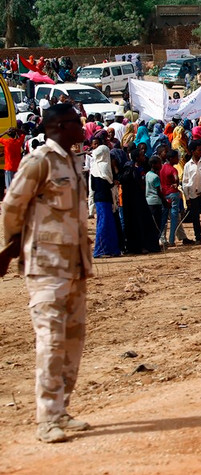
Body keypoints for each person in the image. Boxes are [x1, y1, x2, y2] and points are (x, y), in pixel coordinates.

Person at [1, 103, 92, 443]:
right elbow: (12, 206)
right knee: (51, 340)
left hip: (75, 265)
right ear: (58, 126)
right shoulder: (40, 161)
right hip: (45, 266)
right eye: (76, 123)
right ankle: (47, 419)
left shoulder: (72, 160)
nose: (82, 129)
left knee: (72, 342)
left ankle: (62, 410)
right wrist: (9, 249)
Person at [89, 140, 120, 258]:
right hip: (105, 198)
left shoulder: (94, 167)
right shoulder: (105, 167)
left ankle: (109, 249)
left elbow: (92, 187)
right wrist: (113, 184)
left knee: (104, 223)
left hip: (99, 198)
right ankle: (101, 250)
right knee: (105, 224)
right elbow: (108, 184)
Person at [182, 141, 201, 244]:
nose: (200, 151)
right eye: (198, 150)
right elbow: (185, 182)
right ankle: (198, 237)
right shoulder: (188, 165)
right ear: (192, 152)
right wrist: (187, 198)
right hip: (193, 195)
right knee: (195, 217)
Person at [159, 149, 182, 247]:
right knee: (173, 218)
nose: (178, 159)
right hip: (173, 194)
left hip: (164, 195)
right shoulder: (173, 169)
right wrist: (176, 184)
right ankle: (171, 239)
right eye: (177, 157)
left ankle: (162, 239)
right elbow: (176, 179)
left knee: (163, 218)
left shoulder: (161, 168)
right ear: (171, 158)